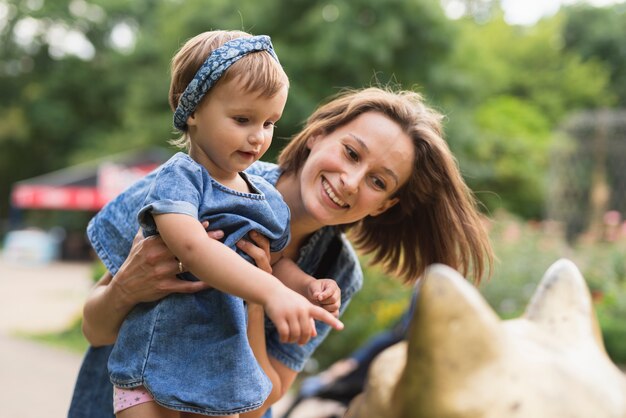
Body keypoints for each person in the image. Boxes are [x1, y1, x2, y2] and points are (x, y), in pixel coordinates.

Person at [70, 83, 494, 418]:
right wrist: (125, 290)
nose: (350, 181)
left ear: (385, 205)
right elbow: (96, 330)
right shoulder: (198, 181)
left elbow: (259, 405)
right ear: (318, 134)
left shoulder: (335, 273)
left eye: (378, 182)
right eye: (350, 153)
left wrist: (256, 300)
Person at [87, 30, 343, 418]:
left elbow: (273, 262)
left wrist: (306, 287)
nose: (258, 137)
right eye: (242, 119)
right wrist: (272, 293)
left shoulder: (264, 197)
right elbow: (193, 248)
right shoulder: (179, 179)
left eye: (269, 122)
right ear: (191, 109)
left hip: (219, 376)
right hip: (150, 367)